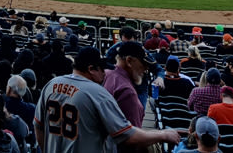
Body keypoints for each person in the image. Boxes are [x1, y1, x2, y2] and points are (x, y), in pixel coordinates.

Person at [36, 47, 181, 153]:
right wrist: (163, 134)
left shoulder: (51, 85)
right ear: (91, 69)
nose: (105, 74)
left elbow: (38, 126)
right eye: (101, 69)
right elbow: (128, 136)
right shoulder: (97, 92)